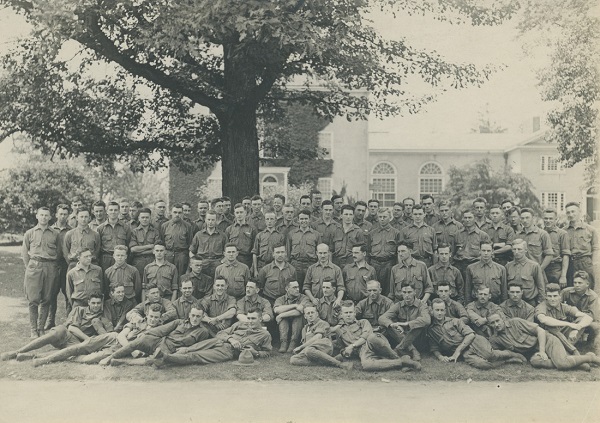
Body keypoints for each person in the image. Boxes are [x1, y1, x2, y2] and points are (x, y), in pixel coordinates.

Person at [32, 304, 163, 366]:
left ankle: (46, 355)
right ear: (147, 314)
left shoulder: (159, 333)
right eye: (151, 316)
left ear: (160, 318)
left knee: (89, 359)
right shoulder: (138, 323)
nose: (152, 319)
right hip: (112, 338)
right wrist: (133, 351)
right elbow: (121, 335)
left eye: (156, 317)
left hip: (117, 350)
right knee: (79, 348)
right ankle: (44, 360)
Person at [1, 293, 112, 361]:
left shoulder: (102, 316)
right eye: (93, 303)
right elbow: (72, 328)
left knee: (74, 352)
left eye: (98, 303)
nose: (96, 305)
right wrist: (87, 339)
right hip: (66, 335)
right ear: (89, 302)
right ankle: (16, 351)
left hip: (77, 343)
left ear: (101, 303)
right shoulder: (80, 310)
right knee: (57, 331)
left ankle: (30, 356)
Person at [153, 309, 272, 367]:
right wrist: (231, 339)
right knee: (188, 348)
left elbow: (267, 352)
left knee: (197, 356)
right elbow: (220, 334)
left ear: (260, 320)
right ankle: (161, 357)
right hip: (217, 341)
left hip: (227, 351)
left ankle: (165, 357)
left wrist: (255, 353)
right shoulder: (239, 324)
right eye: (248, 318)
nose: (249, 321)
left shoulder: (265, 335)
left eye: (253, 319)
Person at [428, 299, 526, 369]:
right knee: (483, 365)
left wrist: (457, 351)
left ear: (445, 311)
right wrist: (440, 357)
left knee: (490, 356)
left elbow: (470, 335)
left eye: (442, 310)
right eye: (437, 310)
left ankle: (510, 354)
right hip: (465, 352)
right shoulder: (431, 330)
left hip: (475, 341)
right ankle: (507, 361)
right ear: (432, 311)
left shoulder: (455, 321)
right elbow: (434, 348)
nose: (439, 313)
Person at [101, 306, 212, 366]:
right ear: (189, 315)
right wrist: (146, 335)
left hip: (170, 348)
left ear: (202, 317)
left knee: (158, 361)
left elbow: (199, 347)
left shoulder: (203, 332)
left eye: (198, 316)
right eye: (193, 315)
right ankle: (110, 357)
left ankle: (122, 362)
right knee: (139, 341)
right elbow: (161, 330)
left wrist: (187, 349)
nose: (195, 318)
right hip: (160, 340)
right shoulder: (179, 322)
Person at [488, 314, 600, 370]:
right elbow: (498, 354)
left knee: (561, 364)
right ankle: (577, 363)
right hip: (534, 352)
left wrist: (542, 351)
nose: (496, 325)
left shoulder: (515, 322)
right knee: (535, 362)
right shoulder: (495, 339)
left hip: (547, 341)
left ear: (502, 319)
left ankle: (591, 358)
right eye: (492, 323)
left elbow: (540, 331)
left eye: (497, 321)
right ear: (490, 325)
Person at [334, 301, 421, 371]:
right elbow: (342, 348)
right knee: (366, 366)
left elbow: (365, 337)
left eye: (350, 312)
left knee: (372, 337)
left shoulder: (363, 322)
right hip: (362, 351)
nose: (348, 315)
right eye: (346, 313)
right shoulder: (339, 330)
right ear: (341, 314)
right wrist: (344, 352)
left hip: (373, 343)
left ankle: (395, 357)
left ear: (354, 313)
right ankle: (402, 362)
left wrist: (352, 346)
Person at [535, 283, 595, 355]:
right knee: (550, 328)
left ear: (560, 296)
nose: (552, 299)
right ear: (546, 297)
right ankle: (569, 350)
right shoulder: (541, 306)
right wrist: (569, 324)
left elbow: (588, 317)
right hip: (548, 338)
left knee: (581, 320)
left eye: (555, 296)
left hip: (563, 336)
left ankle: (565, 349)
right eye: (550, 296)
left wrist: (576, 329)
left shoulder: (564, 306)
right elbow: (543, 319)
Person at [379, 283, 431, 361]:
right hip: (402, 336)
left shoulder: (421, 305)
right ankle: (413, 350)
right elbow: (382, 318)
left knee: (419, 325)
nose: (407, 295)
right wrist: (393, 325)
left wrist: (407, 324)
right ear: (401, 293)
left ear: (415, 292)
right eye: (404, 292)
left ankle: (399, 349)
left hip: (417, 339)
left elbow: (427, 320)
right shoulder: (398, 305)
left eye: (409, 292)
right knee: (389, 326)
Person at [290, 305, 352, 370]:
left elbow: (318, 337)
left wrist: (301, 347)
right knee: (293, 359)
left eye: (312, 312)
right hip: (310, 350)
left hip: (324, 346)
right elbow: (305, 343)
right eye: (308, 313)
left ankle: (339, 364)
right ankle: (326, 361)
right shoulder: (304, 329)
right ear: (305, 316)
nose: (310, 315)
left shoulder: (322, 323)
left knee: (308, 350)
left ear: (317, 314)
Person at [561, 271, 600, 353]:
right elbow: (558, 306)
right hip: (567, 319)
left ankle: (587, 344)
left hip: (585, 321)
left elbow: (592, 315)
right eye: (575, 282)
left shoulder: (593, 296)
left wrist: (577, 316)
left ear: (587, 284)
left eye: (580, 283)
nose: (577, 285)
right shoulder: (566, 292)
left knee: (595, 327)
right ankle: (564, 345)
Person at [47, 204, 71, 329]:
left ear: (68, 215)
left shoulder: (71, 230)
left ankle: (69, 321)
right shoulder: (50, 230)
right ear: (56, 215)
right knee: (52, 293)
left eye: (65, 214)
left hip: (67, 265)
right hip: (53, 265)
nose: (62, 216)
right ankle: (50, 320)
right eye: (60, 214)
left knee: (68, 293)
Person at [368, 208, 401, 296]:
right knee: (374, 290)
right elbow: (367, 252)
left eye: (385, 217)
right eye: (380, 217)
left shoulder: (396, 233)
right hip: (374, 265)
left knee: (389, 291)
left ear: (390, 217)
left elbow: (399, 253)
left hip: (389, 265)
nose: (382, 219)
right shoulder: (372, 233)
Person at [565, 202, 598, 289]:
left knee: (588, 288)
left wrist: (592, 263)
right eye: (568, 212)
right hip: (570, 263)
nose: (571, 214)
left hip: (585, 262)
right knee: (571, 288)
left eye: (573, 211)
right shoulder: (564, 231)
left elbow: (595, 248)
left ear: (579, 211)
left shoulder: (591, 230)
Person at [286, 209, 321, 290]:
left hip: (310, 264)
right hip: (295, 264)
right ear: (298, 220)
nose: (303, 221)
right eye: (301, 219)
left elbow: (319, 252)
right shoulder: (291, 234)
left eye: (306, 219)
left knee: (310, 287)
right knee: (295, 287)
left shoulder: (316, 234)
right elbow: (288, 252)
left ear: (309, 220)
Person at [452, 210, 491, 281]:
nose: (467, 220)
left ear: (475, 219)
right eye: (465, 218)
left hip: (475, 266)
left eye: (470, 217)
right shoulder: (457, 234)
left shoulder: (483, 235)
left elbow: (489, 253)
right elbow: (452, 252)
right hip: (459, 266)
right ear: (463, 219)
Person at [274, 280, 311, 353]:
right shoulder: (280, 299)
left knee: (298, 316)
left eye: (298, 287)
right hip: (285, 324)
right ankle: (283, 342)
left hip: (300, 324)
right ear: (287, 289)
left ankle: (293, 342)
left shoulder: (304, 298)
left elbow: (300, 311)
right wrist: (295, 305)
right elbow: (277, 310)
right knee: (283, 319)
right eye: (294, 287)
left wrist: (282, 315)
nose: (297, 289)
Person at [505, 239, 546, 305]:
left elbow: (541, 286)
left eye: (519, 249)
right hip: (512, 302)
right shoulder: (508, 266)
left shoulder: (534, 266)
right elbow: (505, 286)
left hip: (529, 302)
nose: (517, 252)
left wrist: (540, 302)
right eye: (514, 249)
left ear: (525, 250)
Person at [516, 208, 554, 278]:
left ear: (533, 218)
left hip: (536, 272)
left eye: (527, 218)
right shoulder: (518, 235)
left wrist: (539, 270)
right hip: (521, 272)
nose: (525, 220)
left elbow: (549, 255)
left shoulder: (542, 234)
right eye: (522, 218)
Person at [189, 210, 228, 278]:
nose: (210, 222)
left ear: (216, 220)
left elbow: (227, 251)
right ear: (205, 220)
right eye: (209, 219)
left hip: (217, 263)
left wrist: (222, 262)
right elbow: (191, 251)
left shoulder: (222, 235)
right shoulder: (199, 235)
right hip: (202, 263)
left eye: (213, 220)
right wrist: (195, 262)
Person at [129, 207, 161, 285]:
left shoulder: (156, 232)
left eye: (147, 217)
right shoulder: (134, 232)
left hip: (152, 262)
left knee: (153, 284)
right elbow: (133, 249)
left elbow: (157, 249)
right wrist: (149, 246)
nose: (145, 219)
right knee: (139, 284)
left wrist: (140, 251)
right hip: (138, 263)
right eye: (142, 217)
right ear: (139, 218)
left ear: (150, 218)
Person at [97, 201, 132, 272]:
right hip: (106, 259)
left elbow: (128, 244)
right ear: (107, 211)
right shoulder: (100, 228)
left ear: (119, 211)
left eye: (115, 210)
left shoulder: (126, 227)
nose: (113, 212)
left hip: (121, 259)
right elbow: (98, 247)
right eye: (111, 210)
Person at [161, 203, 193, 277]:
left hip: (181, 255)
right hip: (168, 255)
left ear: (182, 213)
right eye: (175, 212)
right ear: (171, 212)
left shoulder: (187, 226)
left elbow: (190, 243)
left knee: (181, 277)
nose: (177, 214)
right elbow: (162, 242)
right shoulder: (164, 226)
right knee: (168, 276)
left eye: (179, 212)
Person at [542, 208, 571, 287]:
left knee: (555, 294)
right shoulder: (540, 233)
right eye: (546, 218)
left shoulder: (562, 234)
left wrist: (563, 276)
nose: (548, 220)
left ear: (556, 219)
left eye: (551, 218)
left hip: (555, 269)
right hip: (542, 268)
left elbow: (565, 255)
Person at [252, 210, 285, 276]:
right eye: (267, 219)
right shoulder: (260, 235)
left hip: (275, 265)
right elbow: (255, 253)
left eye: (271, 219)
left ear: (275, 220)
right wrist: (255, 270)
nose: (269, 221)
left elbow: (284, 254)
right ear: (265, 221)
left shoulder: (280, 236)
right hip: (262, 265)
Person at [225, 203, 257, 269]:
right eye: (237, 212)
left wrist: (253, 266)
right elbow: (226, 246)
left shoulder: (252, 229)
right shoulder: (229, 229)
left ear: (245, 213)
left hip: (247, 259)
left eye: (241, 212)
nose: (239, 214)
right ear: (234, 214)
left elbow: (255, 247)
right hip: (233, 259)